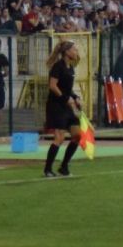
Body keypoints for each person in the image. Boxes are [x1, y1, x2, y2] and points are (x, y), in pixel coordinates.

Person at [44, 40, 84, 177]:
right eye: (74, 49)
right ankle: (48, 169)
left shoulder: (70, 67)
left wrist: (75, 97)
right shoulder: (58, 66)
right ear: (67, 52)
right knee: (59, 138)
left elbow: (67, 88)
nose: (76, 52)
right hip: (57, 106)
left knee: (77, 136)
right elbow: (53, 86)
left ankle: (64, 167)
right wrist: (65, 98)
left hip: (68, 106)